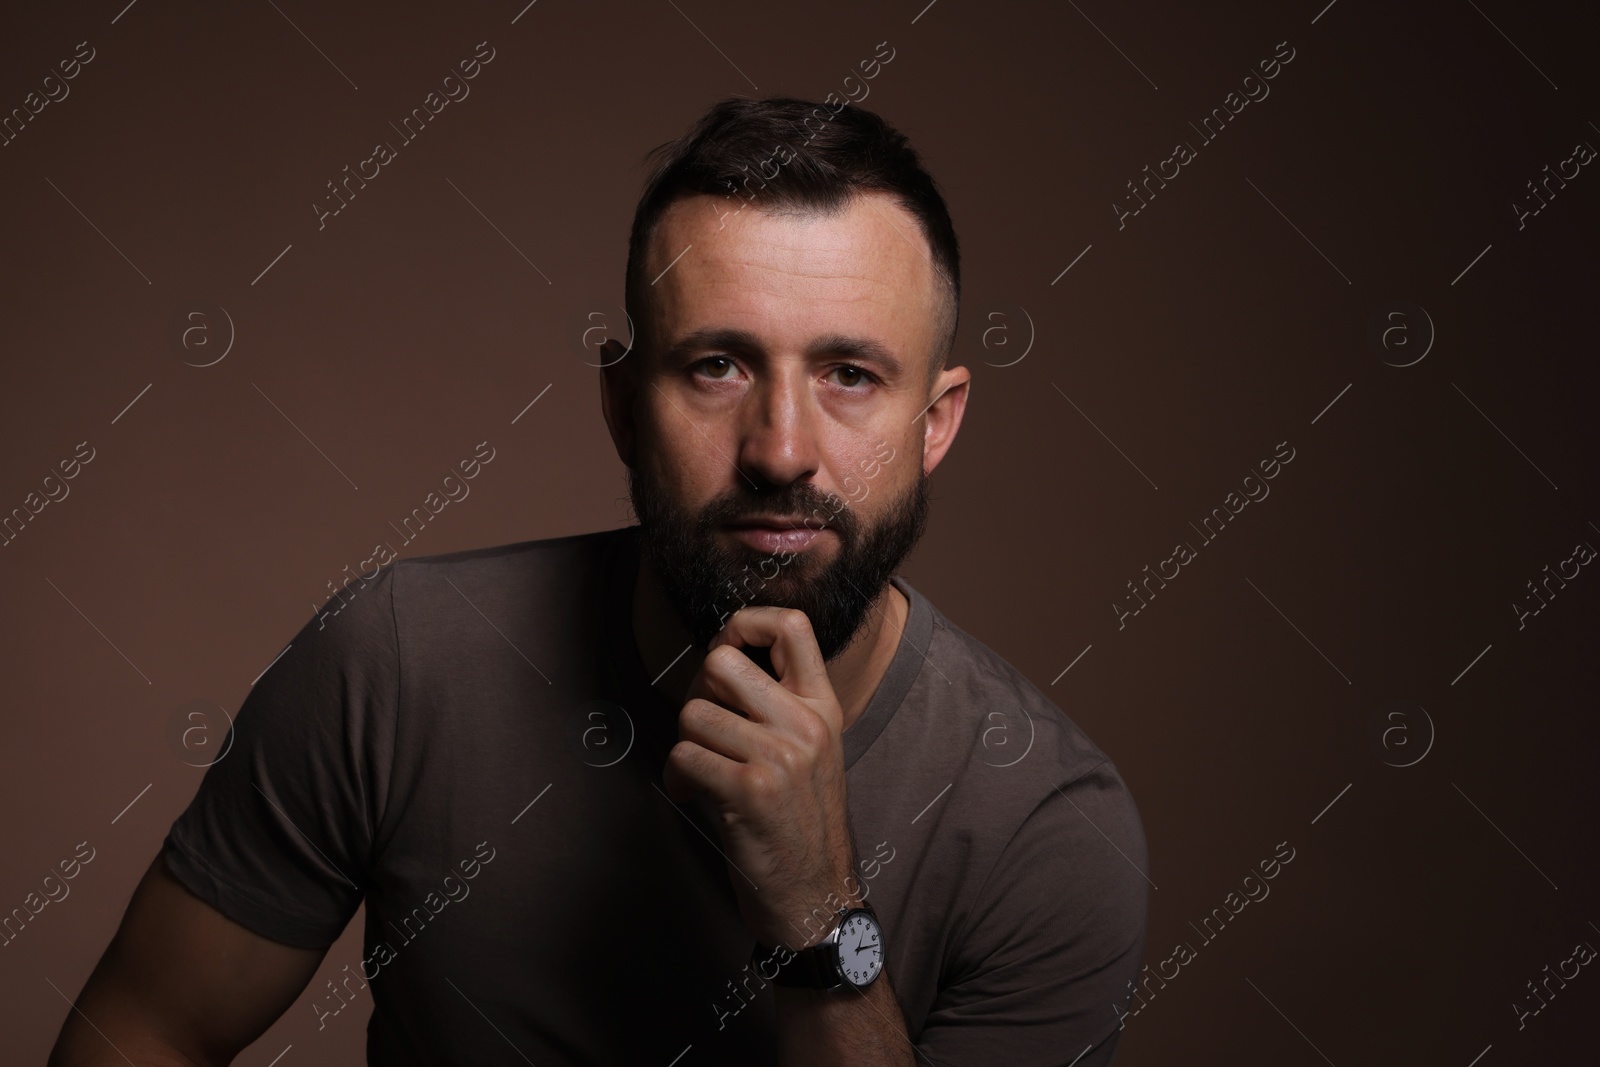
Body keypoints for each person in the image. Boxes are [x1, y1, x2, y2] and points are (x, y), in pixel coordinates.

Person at [50, 95, 1148, 1066]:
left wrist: (817, 916)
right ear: (623, 405)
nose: (779, 447)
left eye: (850, 375)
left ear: (936, 421)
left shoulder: (1044, 827)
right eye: (716, 365)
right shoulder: (394, 662)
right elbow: (146, 1028)